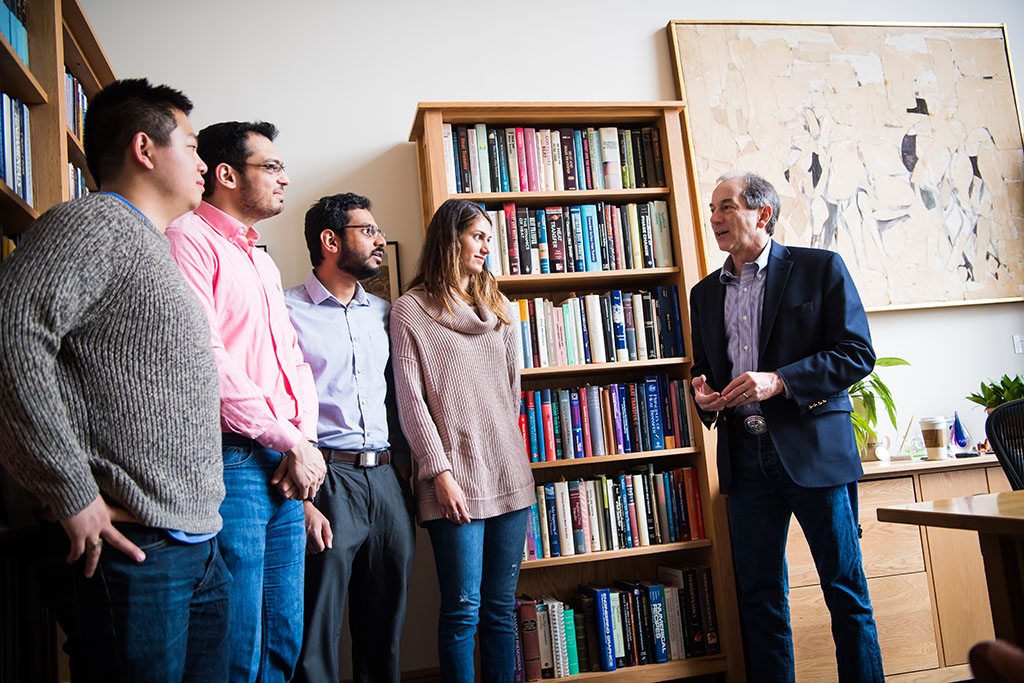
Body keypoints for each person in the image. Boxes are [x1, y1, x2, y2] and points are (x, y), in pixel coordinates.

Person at [0, 78, 229, 682]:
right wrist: (71, 490)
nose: (205, 163)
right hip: (135, 553)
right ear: (144, 149)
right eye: (191, 145)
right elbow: (10, 336)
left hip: (195, 545)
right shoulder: (92, 222)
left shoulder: (151, 247)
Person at [688, 171, 884, 683]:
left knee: (845, 589)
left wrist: (780, 381)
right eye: (712, 210)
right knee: (759, 598)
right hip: (744, 458)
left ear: (763, 214)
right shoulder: (704, 294)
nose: (714, 220)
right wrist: (704, 397)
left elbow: (857, 353)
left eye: (726, 207)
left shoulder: (819, 269)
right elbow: (704, 368)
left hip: (811, 450)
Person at [167, 121, 325, 683]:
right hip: (233, 461)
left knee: (282, 634)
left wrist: (299, 439)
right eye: (272, 167)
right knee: (237, 641)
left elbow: (293, 359)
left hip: (283, 462)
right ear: (227, 174)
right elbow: (206, 358)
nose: (285, 178)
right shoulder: (187, 239)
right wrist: (287, 439)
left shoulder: (260, 258)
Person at [390, 199, 535, 682]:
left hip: (510, 475)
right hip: (451, 481)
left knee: (499, 609)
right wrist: (440, 474)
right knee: (462, 612)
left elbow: (511, 393)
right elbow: (411, 402)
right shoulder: (411, 310)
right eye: (478, 236)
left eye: (489, 239)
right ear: (450, 239)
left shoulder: (499, 307)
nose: (486, 248)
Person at [284, 193, 416, 683]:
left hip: (385, 481)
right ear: (330, 240)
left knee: (385, 625)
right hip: (326, 477)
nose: (379, 239)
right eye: (367, 230)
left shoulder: (386, 313)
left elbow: (398, 398)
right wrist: (300, 498)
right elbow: (277, 402)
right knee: (316, 629)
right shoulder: (285, 311)